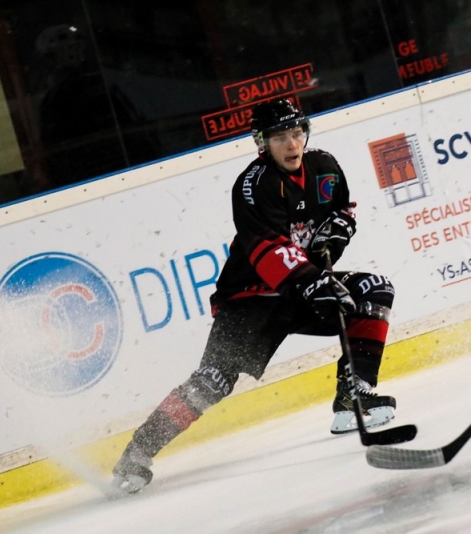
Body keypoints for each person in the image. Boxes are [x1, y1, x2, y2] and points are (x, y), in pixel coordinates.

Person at [112, 99, 399, 493]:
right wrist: (313, 280)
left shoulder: (325, 166)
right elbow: (266, 247)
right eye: (280, 136)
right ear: (261, 143)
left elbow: (341, 210)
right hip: (251, 298)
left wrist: (339, 227)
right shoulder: (254, 184)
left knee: (374, 290)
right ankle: (137, 452)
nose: (291, 144)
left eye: (297, 133)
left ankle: (354, 397)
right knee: (212, 381)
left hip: (301, 290)